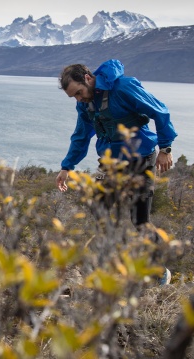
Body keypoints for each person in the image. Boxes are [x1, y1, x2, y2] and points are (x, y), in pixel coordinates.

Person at [55, 59, 178, 284]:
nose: (79, 99)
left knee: (139, 219)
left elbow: (159, 111)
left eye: (79, 92)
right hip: (111, 162)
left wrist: (165, 147)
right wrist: (67, 166)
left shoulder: (123, 88)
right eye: (74, 96)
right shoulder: (85, 105)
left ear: (88, 78)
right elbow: (81, 136)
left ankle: (158, 271)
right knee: (99, 210)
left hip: (141, 159)